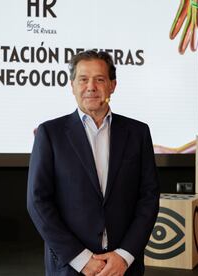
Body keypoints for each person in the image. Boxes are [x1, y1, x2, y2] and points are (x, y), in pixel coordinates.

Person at [27, 50, 160, 276]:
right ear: (72, 85)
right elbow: (38, 202)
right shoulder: (50, 133)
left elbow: (148, 198)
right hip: (70, 267)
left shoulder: (138, 133)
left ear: (113, 85)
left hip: (124, 267)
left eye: (99, 79)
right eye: (83, 79)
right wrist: (82, 259)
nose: (91, 87)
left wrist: (124, 255)